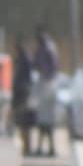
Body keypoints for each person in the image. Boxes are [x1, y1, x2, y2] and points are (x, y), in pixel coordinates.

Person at [31, 27, 61, 156]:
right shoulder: (42, 48)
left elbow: (53, 67)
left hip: (49, 84)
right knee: (42, 120)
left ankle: (51, 147)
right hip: (45, 83)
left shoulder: (49, 48)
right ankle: (42, 147)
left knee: (47, 121)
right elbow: (35, 64)